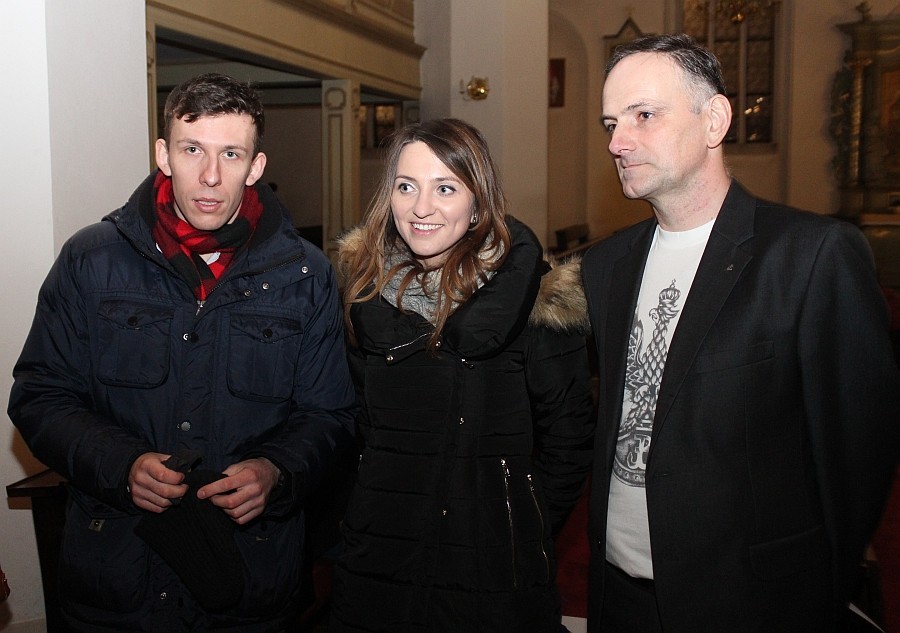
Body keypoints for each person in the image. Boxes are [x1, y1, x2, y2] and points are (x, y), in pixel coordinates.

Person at [7, 73, 357, 632]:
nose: (211, 175)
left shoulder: (306, 275)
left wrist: (276, 470)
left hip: (250, 583)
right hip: (116, 579)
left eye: (231, 154)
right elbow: (40, 397)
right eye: (192, 149)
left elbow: (331, 416)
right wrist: (121, 464)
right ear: (163, 154)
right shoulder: (91, 260)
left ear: (256, 167)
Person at [582, 33, 900, 633]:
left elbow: (857, 456)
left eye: (643, 115)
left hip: (750, 601)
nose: (617, 142)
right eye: (611, 123)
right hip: (618, 593)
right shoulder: (605, 265)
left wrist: (818, 593)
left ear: (715, 120)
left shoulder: (811, 256)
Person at [330, 117, 595, 632]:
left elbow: (569, 439)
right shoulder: (364, 295)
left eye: (445, 188)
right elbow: (362, 426)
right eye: (406, 187)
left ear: (477, 204)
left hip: (491, 569)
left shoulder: (535, 302)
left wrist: (521, 526)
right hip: (380, 559)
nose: (421, 208)